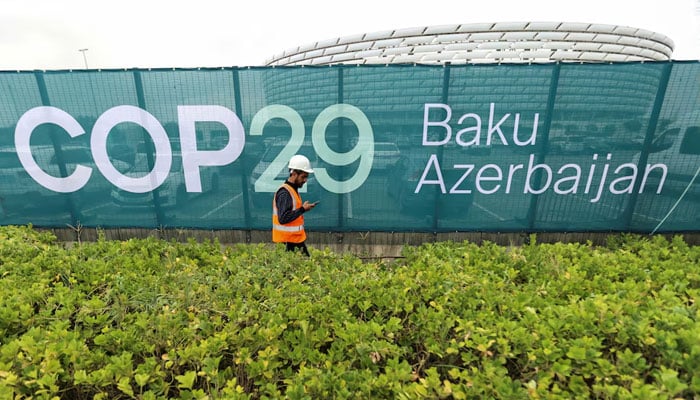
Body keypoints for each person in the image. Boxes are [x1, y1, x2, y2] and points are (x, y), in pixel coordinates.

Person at [272, 154, 318, 256]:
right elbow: (283, 218)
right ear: (294, 174)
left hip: (294, 240)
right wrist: (302, 209)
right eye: (303, 177)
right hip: (287, 242)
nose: (305, 180)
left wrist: (303, 209)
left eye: (306, 177)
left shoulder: (292, 190)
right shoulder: (285, 193)